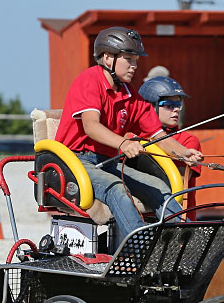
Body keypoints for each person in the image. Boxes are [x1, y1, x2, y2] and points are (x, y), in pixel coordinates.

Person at [54, 26, 203, 248]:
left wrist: (184, 153)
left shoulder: (129, 93)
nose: (134, 66)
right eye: (129, 59)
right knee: (117, 188)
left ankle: (178, 249)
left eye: (135, 60)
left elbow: (158, 135)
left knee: (160, 188)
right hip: (75, 162)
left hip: (106, 163)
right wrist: (123, 143)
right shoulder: (89, 81)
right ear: (107, 58)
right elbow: (91, 126)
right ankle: (142, 252)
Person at [138, 76, 202, 181]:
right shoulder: (133, 135)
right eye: (169, 105)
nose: (176, 109)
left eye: (178, 105)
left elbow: (179, 181)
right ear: (149, 106)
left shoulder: (188, 140)